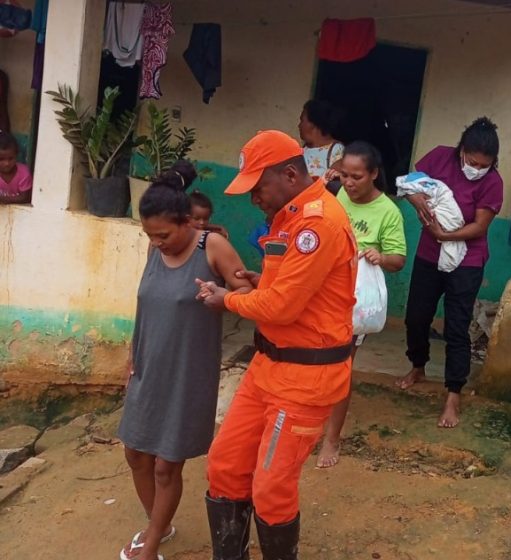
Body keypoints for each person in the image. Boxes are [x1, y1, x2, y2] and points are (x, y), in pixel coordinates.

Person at [195, 130, 357, 560]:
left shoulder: (317, 222)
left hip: (305, 379)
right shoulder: (289, 215)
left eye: (257, 188)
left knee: (271, 488)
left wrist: (226, 298)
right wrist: (256, 282)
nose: (253, 199)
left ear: (289, 174)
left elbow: (283, 306)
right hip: (268, 368)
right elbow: (290, 288)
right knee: (225, 467)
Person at [117, 162, 252, 560]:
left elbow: (247, 294)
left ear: (186, 223)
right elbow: (146, 303)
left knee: (165, 466)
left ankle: (152, 543)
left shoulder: (212, 247)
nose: (157, 242)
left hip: (188, 373)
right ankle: (159, 522)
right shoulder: (154, 247)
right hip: (148, 366)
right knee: (135, 454)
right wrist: (132, 354)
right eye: (150, 235)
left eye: (164, 234)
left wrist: (221, 295)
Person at [397, 117, 503, 429]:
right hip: (429, 254)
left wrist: (444, 236)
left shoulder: (492, 182)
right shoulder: (440, 157)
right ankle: (418, 365)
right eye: (472, 162)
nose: (477, 169)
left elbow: (480, 226)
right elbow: (410, 184)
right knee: (416, 317)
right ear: (460, 152)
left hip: (467, 260)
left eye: (485, 165)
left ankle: (453, 394)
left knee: (457, 327)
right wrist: (417, 200)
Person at [316, 141, 407, 469]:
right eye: (345, 175)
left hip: (353, 300)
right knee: (313, 361)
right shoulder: (338, 193)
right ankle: (310, 422)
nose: (349, 183)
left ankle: (332, 438)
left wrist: (380, 256)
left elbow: (398, 260)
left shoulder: (388, 212)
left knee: (341, 366)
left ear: (374, 175)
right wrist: (326, 185)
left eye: (356, 176)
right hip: (321, 290)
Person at [298, 99, 344, 180]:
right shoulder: (303, 149)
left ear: (313, 123)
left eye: (302, 120)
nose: (299, 125)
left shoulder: (336, 151)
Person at [0, 132, 32, 204]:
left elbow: (25, 198)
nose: (7, 163)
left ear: (16, 155)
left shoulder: (24, 173)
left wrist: (3, 199)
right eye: (1, 159)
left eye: (11, 158)